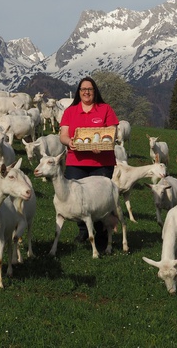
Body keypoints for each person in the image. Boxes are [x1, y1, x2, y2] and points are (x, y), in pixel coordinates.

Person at [59, 76, 120, 249]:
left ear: (95, 91)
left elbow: (112, 133)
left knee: (100, 200)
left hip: (101, 163)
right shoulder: (70, 112)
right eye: (83, 89)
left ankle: (100, 233)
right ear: (79, 92)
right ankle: (84, 231)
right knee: (77, 198)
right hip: (76, 162)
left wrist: (104, 145)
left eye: (90, 89)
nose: (86, 92)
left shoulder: (105, 109)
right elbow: (63, 135)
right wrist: (69, 142)